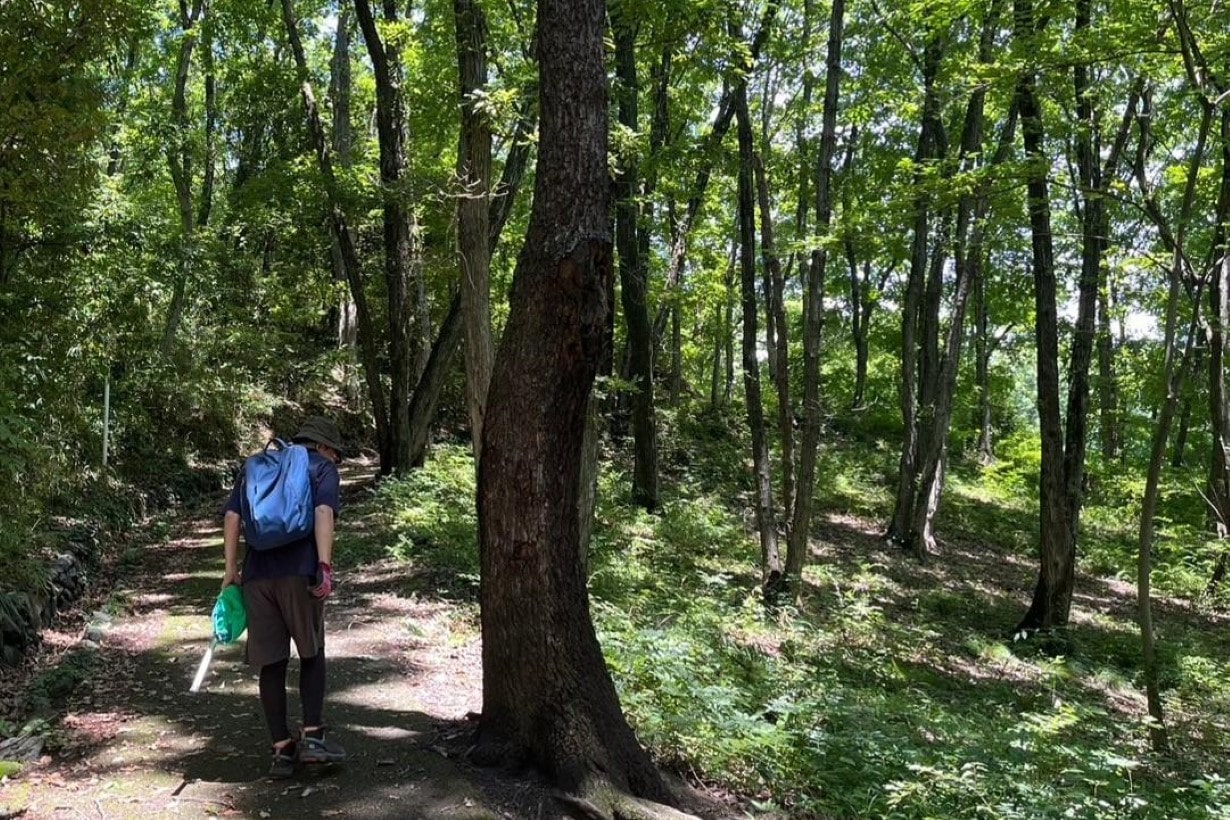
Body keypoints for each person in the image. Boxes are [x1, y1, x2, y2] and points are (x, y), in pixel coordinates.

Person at [221, 416, 348, 778]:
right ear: (323, 447)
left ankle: (281, 750)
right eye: (335, 455)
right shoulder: (321, 468)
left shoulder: (257, 465)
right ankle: (313, 739)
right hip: (300, 572)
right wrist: (324, 565)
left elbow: (232, 516)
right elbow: (323, 512)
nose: (335, 461)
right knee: (312, 652)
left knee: (272, 663)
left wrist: (231, 571)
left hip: (258, 577)